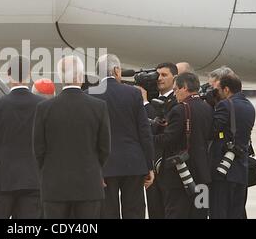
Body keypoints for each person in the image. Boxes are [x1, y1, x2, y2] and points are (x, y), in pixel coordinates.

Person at [33, 55, 111, 219]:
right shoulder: (98, 107)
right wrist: (94, 167)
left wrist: (49, 171)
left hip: (54, 185)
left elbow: (38, 149)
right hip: (88, 184)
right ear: (81, 77)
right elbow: (105, 147)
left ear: (61, 78)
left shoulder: (44, 108)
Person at [87, 54, 154, 219]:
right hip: (133, 162)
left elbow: (87, 136)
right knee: (134, 211)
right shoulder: (133, 94)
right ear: (117, 70)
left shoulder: (88, 95)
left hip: (103, 164)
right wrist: (149, 165)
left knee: (107, 212)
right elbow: (144, 131)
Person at [0, 56, 44, 219]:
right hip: (33, 179)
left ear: (8, 74)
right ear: (29, 75)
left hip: (2, 179)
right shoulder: (42, 105)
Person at [154, 72, 212, 219]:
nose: (174, 94)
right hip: (203, 174)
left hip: (180, 177)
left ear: (184, 88)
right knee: (199, 214)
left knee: (176, 214)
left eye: (175, 90)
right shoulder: (207, 108)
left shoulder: (180, 109)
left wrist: (150, 137)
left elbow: (168, 139)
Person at [209, 74, 255, 219]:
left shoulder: (225, 105)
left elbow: (212, 130)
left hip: (223, 170)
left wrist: (211, 107)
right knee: (236, 213)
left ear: (226, 89)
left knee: (219, 212)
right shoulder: (249, 106)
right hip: (241, 169)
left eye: (218, 90)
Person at [139, 62, 178, 219]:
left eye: (164, 75)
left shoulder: (176, 100)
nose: (159, 78)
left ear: (174, 79)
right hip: (152, 167)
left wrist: (145, 103)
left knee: (169, 212)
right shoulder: (152, 98)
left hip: (168, 169)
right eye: (158, 75)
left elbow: (157, 127)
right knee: (154, 211)